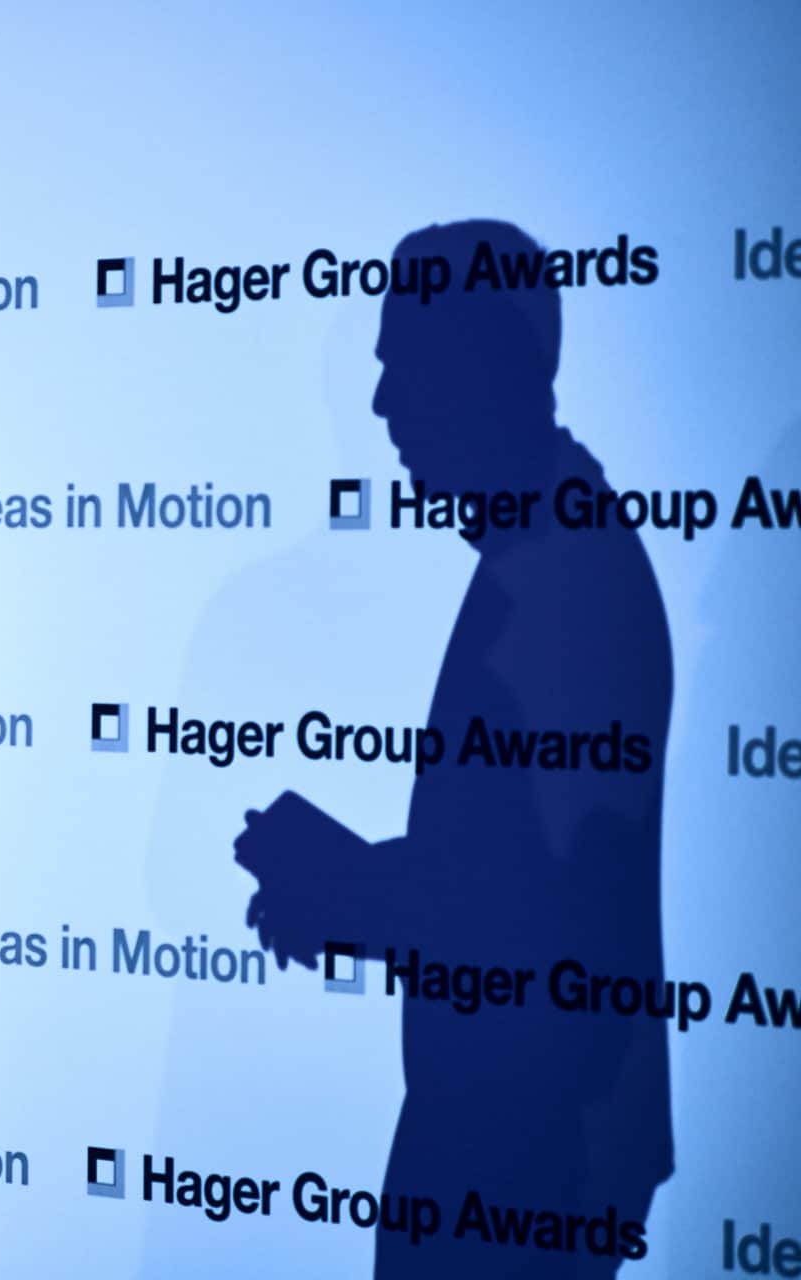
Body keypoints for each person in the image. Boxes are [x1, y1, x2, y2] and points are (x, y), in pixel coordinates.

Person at [234, 220, 673, 1277]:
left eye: (408, 367)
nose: (382, 405)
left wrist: (350, 895)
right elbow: (520, 879)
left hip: (528, 1157)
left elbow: (543, 920)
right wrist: (355, 891)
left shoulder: (563, 585)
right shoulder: (549, 553)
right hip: (510, 1140)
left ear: (492, 372)